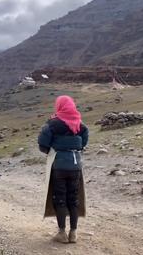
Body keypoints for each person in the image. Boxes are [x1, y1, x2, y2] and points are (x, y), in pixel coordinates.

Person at [38, 95, 89, 244]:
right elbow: (83, 143)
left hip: (59, 165)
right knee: (73, 199)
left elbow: (42, 143)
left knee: (59, 198)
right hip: (76, 166)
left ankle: (61, 233)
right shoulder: (80, 124)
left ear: (59, 106)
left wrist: (51, 151)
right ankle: (73, 233)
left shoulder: (52, 124)